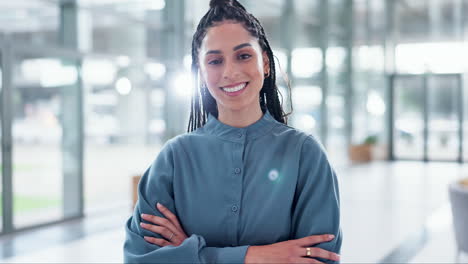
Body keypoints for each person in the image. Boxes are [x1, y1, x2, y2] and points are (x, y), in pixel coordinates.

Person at [123, 0, 342, 263]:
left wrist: (192, 254)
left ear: (266, 63)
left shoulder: (305, 155)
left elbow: (320, 258)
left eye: (243, 56)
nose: (230, 72)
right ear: (201, 73)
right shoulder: (174, 158)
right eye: (215, 61)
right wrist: (253, 256)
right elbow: (140, 259)